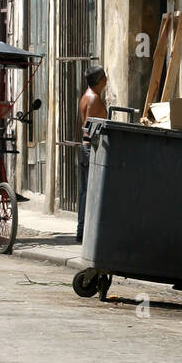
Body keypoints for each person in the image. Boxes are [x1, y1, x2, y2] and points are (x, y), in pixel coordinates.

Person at [76, 66, 107, 243]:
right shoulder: (94, 99)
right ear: (101, 80)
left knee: (85, 191)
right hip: (91, 148)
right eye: (105, 77)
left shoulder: (87, 96)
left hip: (86, 147)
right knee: (89, 191)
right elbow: (88, 127)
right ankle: (83, 231)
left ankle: (82, 230)